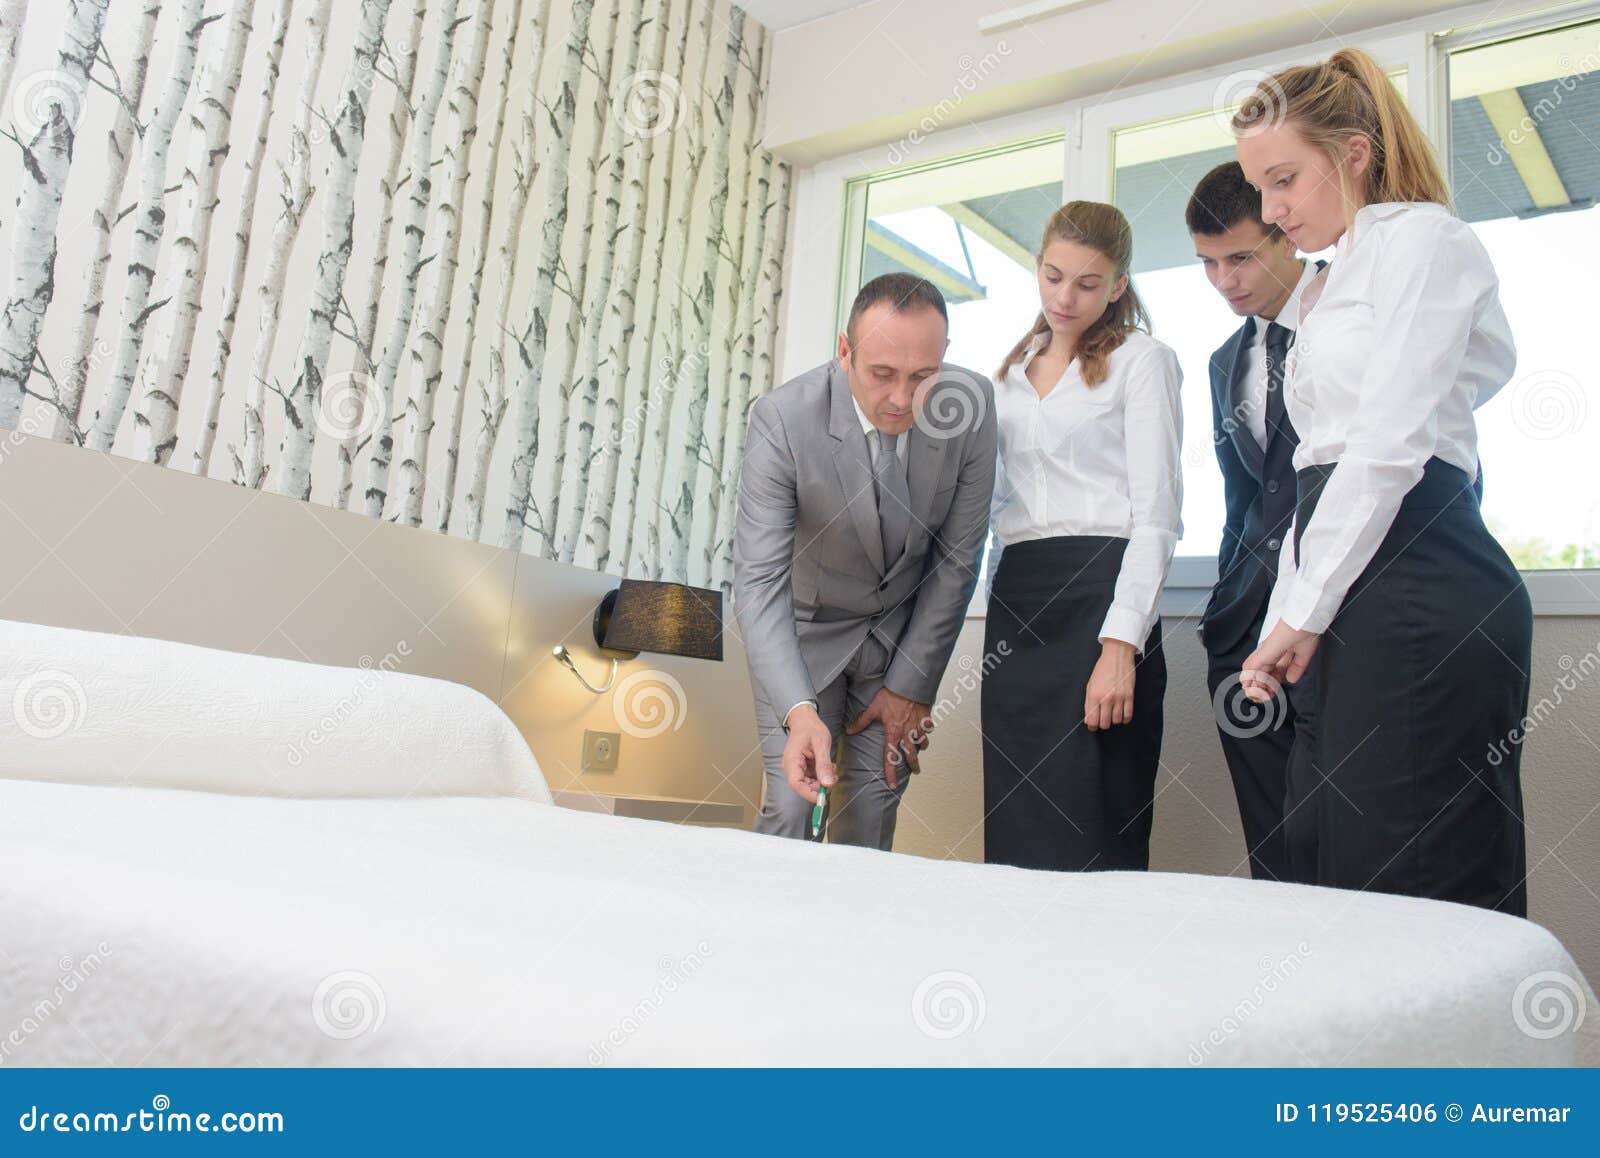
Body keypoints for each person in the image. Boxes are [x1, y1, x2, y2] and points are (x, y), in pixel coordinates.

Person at [1235, 48, 1530, 915]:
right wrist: (1286, 615)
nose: (1271, 210)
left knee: (1412, 886)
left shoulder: (1426, 240)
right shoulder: (1322, 289)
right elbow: (1312, 467)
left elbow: (1391, 445)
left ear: (1354, 154)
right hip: (1341, 592)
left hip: (1418, 582)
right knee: (1325, 860)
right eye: (1259, 188)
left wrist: (1305, 610)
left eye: (1284, 180)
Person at [733, 273, 997, 850]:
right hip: (805, 637)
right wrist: (800, 712)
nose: (902, 398)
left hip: (898, 643)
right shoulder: (782, 419)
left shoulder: (971, 407)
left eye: (922, 376)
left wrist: (912, 685)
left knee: (873, 810)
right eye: (882, 374)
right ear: (844, 350)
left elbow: (957, 561)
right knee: (795, 806)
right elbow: (759, 583)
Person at [981, 201, 1182, 872]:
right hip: (1017, 608)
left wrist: (1121, 646)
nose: (1065, 297)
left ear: (1118, 286)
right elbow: (996, 508)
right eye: (1053, 276)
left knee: (1095, 823)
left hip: (1101, 600)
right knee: (1016, 830)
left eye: (1088, 283)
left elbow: (1157, 517)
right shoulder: (1007, 375)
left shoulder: (1144, 361)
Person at [1187, 161, 1324, 883]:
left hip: (1331, 622)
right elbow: (1241, 499)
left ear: (1287, 233)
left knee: (1346, 838)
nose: (1224, 281)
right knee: (1272, 850)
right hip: (1243, 636)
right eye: (1208, 264)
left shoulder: (1348, 317)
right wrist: (1223, 611)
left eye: (1240, 257)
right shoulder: (1223, 362)